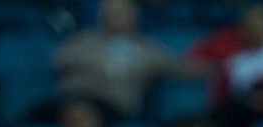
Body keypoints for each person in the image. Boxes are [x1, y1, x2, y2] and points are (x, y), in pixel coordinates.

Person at [52, 0, 191, 120]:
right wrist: (96, 63)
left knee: (86, 114)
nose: (112, 16)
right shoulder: (83, 39)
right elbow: (59, 59)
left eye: (119, 12)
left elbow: (178, 68)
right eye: (108, 12)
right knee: (41, 112)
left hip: (114, 107)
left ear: (133, 15)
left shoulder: (147, 48)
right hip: (72, 100)